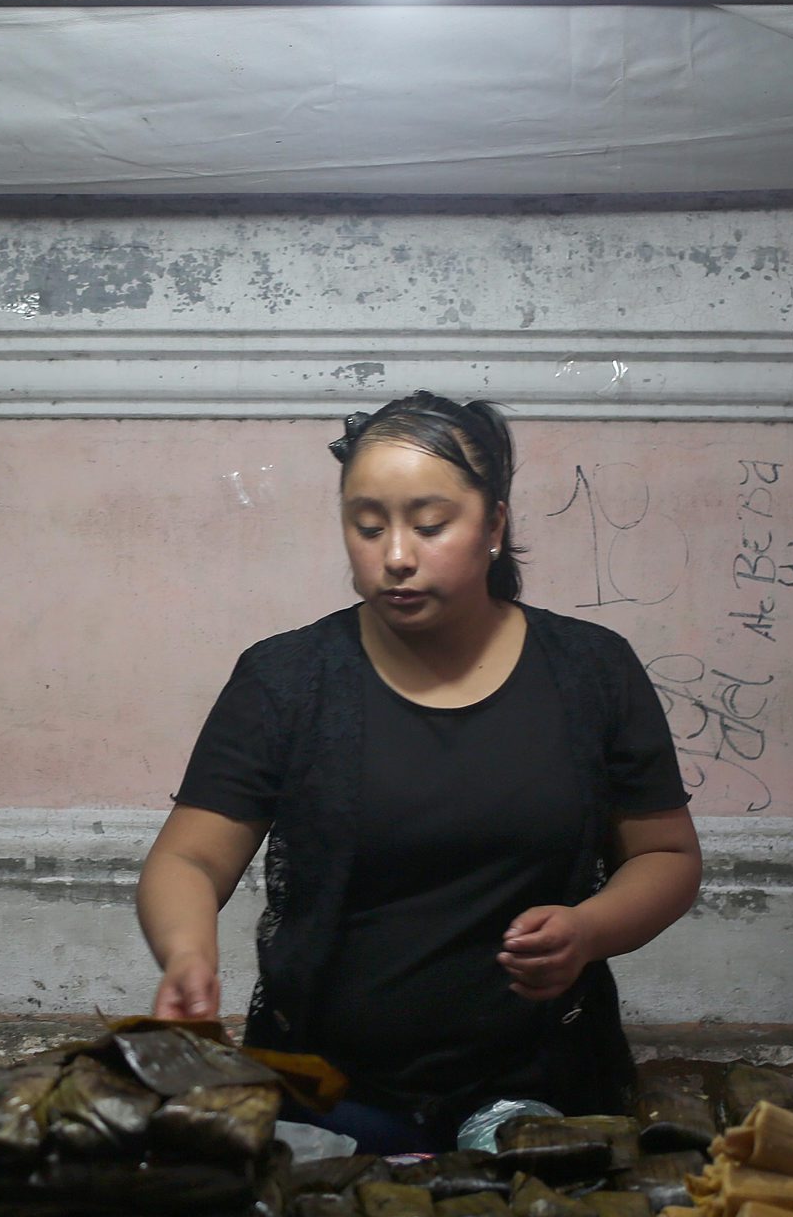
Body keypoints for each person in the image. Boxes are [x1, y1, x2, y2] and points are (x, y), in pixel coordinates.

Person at [136, 392, 702, 1153]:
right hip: (324, 1090)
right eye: (367, 526)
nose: (395, 555)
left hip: (537, 1087)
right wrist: (186, 953)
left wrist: (590, 929)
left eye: (429, 525)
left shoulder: (590, 672)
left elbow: (665, 856)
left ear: (494, 524)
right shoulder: (287, 680)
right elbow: (189, 857)